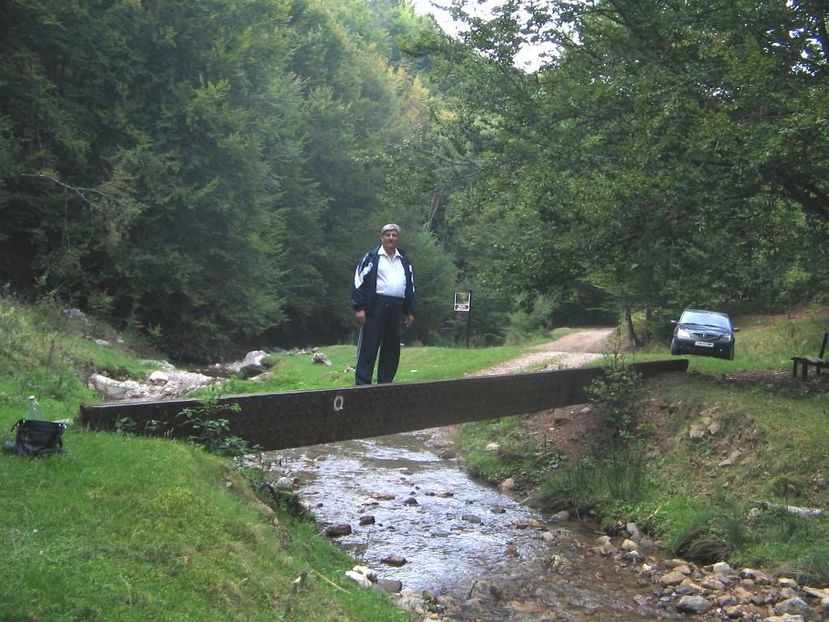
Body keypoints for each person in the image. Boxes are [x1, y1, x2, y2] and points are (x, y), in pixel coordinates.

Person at [352, 223, 416, 385]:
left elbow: (409, 285)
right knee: (369, 345)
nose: (391, 238)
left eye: (394, 235)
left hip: (396, 306)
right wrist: (359, 307)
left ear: (398, 238)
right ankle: (363, 383)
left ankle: (385, 383)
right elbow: (359, 280)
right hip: (376, 306)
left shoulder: (403, 259)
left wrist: (410, 310)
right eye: (387, 235)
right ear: (382, 238)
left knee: (392, 347)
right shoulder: (372, 257)